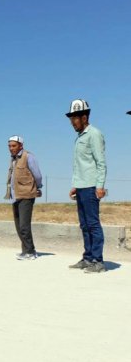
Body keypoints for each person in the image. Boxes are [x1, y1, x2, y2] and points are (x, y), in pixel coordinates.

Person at [66, 99, 107, 273]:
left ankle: (98, 261)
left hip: (91, 187)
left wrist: (100, 186)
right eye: (71, 118)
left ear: (84, 117)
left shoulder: (94, 134)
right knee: (84, 225)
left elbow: (101, 163)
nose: (72, 122)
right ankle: (88, 257)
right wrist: (75, 185)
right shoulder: (79, 138)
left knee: (93, 224)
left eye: (75, 118)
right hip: (81, 186)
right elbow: (80, 165)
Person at [4, 136, 42, 260]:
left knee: (24, 226)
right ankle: (25, 250)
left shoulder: (28, 156)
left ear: (21, 146)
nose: (11, 148)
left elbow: (37, 175)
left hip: (26, 194)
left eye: (14, 146)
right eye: (9, 146)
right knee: (18, 225)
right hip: (15, 196)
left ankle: (30, 252)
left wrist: (37, 187)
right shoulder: (13, 159)